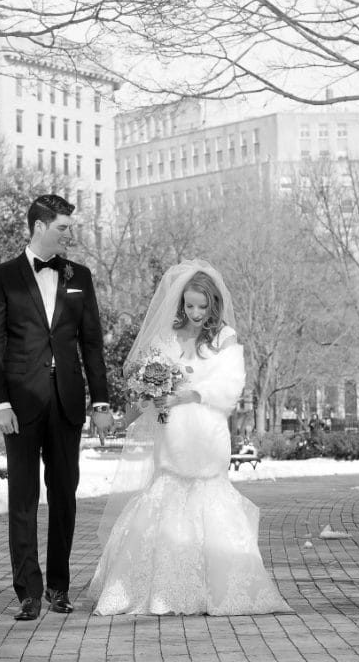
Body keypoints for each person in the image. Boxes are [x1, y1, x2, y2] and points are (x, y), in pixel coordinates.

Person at [88, 260, 290, 616]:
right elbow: (148, 385)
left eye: (202, 306)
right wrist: (136, 408)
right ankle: (159, 589)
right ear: (180, 303)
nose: (195, 313)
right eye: (189, 305)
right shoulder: (168, 337)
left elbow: (230, 384)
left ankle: (218, 589)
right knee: (166, 496)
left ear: (213, 304)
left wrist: (188, 394)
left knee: (211, 499)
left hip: (206, 428)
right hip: (173, 430)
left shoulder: (224, 337)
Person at [0, 194, 113, 622]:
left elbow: (91, 343)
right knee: (23, 498)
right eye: (62, 227)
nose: (68, 234)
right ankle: (28, 592)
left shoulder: (80, 277)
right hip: (19, 404)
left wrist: (102, 400)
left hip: (67, 401)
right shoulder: (3, 278)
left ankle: (58, 587)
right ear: (38, 227)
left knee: (64, 497)